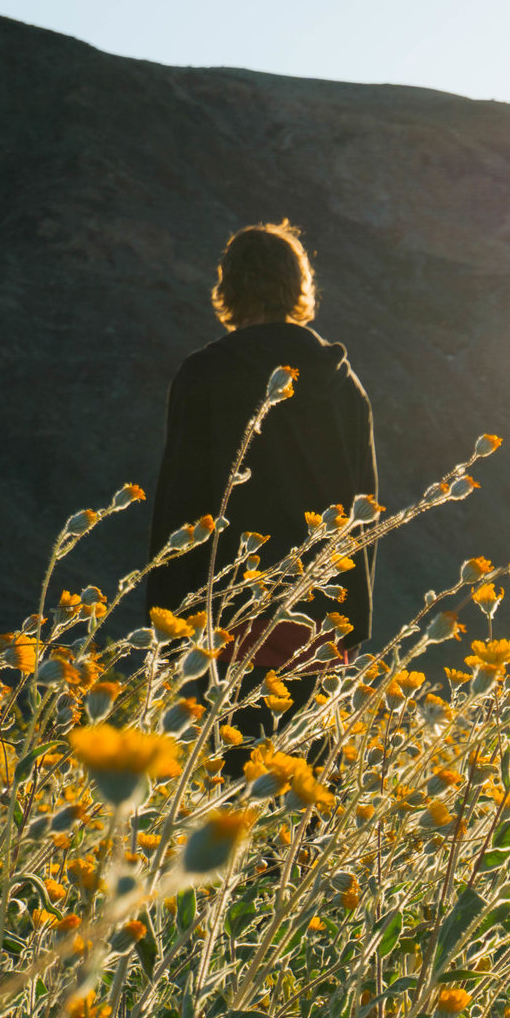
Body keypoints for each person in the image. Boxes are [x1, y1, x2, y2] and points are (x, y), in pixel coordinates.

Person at [147, 221, 377, 762]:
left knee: (225, 789)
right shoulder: (344, 385)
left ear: (228, 289)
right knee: (301, 797)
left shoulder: (203, 376)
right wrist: (353, 626)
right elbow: (362, 513)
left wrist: (167, 620)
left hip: (227, 618)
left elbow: (181, 502)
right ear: (300, 287)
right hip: (320, 618)